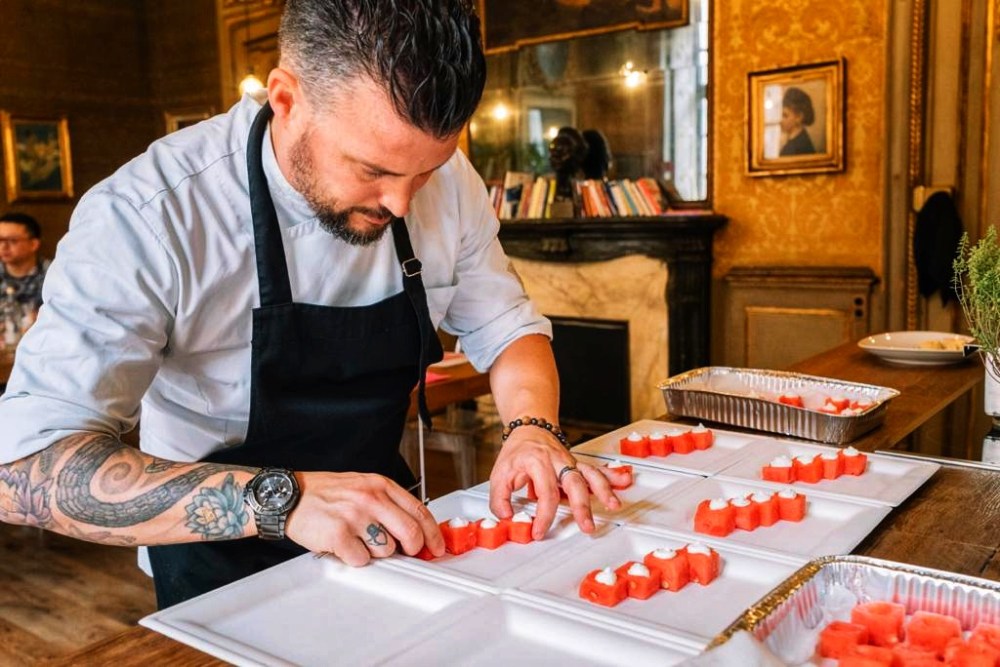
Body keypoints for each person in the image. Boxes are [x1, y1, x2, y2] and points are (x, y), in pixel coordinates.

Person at [0, 0, 624, 609]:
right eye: (372, 169)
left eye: (425, 172)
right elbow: (23, 468)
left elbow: (507, 326)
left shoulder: (446, 177)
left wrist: (533, 430)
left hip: (389, 526)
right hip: (220, 556)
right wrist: (285, 498)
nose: (403, 204)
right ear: (286, 98)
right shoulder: (149, 215)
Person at [0, 211, 50, 312]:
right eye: (0, 240)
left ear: (33, 244)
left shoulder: (53, 274)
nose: (4, 246)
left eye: (12, 240)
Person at [779, 87, 817, 156]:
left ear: (799, 117)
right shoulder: (802, 138)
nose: (780, 120)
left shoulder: (795, 148)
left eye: (785, 115)